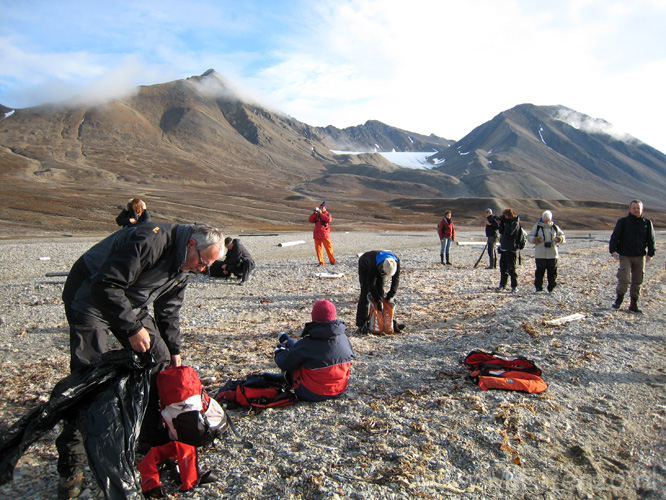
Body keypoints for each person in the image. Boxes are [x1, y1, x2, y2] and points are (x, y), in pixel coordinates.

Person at [56, 222, 224, 498]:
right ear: (191, 245)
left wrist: (174, 351)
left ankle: (149, 440)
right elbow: (106, 283)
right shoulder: (151, 242)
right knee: (87, 381)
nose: (202, 269)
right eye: (203, 263)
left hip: (132, 301)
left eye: (207, 266)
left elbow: (169, 307)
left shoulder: (185, 264)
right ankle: (70, 468)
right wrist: (132, 329)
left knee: (158, 362)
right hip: (89, 295)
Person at [274, 300, 354, 401]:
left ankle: (285, 343)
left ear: (314, 317)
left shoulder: (307, 344)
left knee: (298, 357)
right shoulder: (344, 339)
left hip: (310, 393)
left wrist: (279, 351)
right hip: (339, 389)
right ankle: (288, 341)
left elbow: (284, 362)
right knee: (304, 351)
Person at [609, 200, 656, 313]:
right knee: (624, 278)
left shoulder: (647, 222)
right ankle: (619, 299)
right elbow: (615, 237)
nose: (636, 210)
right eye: (634, 208)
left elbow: (651, 239)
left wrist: (651, 253)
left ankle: (634, 304)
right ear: (630, 209)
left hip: (640, 256)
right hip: (625, 256)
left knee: (638, 280)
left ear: (642, 209)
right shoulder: (623, 222)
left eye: (638, 208)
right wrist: (613, 251)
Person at [355, 250, 400, 330]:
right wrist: (377, 299)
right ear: (382, 267)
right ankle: (361, 323)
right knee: (365, 292)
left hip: (381, 266)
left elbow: (396, 279)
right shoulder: (373, 263)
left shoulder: (396, 261)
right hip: (365, 264)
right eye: (384, 273)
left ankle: (380, 320)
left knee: (381, 291)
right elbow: (371, 283)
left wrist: (391, 293)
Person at [528, 210, 566, 293]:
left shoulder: (554, 227)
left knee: (552, 272)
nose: (546, 221)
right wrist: (536, 239)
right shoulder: (537, 227)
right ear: (542, 218)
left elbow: (562, 235)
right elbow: (529, 236)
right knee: (539, 271)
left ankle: (551, 288)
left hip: (552, 254)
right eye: (545, 220)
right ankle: (538, 288)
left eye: (548, 220)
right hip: (540, 253)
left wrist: (559, 239)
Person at [497, 208, 524, 293]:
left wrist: (507, 223)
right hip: (504, 247)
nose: (504, 217)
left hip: (511, 248)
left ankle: (514, 286)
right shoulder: (506, 223)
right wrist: (501, 223)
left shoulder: (515, 223)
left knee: (511, 268)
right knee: (503, 268)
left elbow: (510, 233)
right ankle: (502, 285)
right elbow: (501, 232)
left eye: (505, 215)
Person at [308, 201, 336, 266]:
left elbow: (328, 220)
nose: (321, 208)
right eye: (320, 207)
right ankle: (321, 262)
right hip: (317, 235)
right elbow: (310, 220)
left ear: (325, 208)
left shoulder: (327, 214)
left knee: (329, 248)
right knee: (318, 249)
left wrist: (321, 214)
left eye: (322, 207)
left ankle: (332, 261)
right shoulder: (316, 215)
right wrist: (314, 214)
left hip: (325, 234)